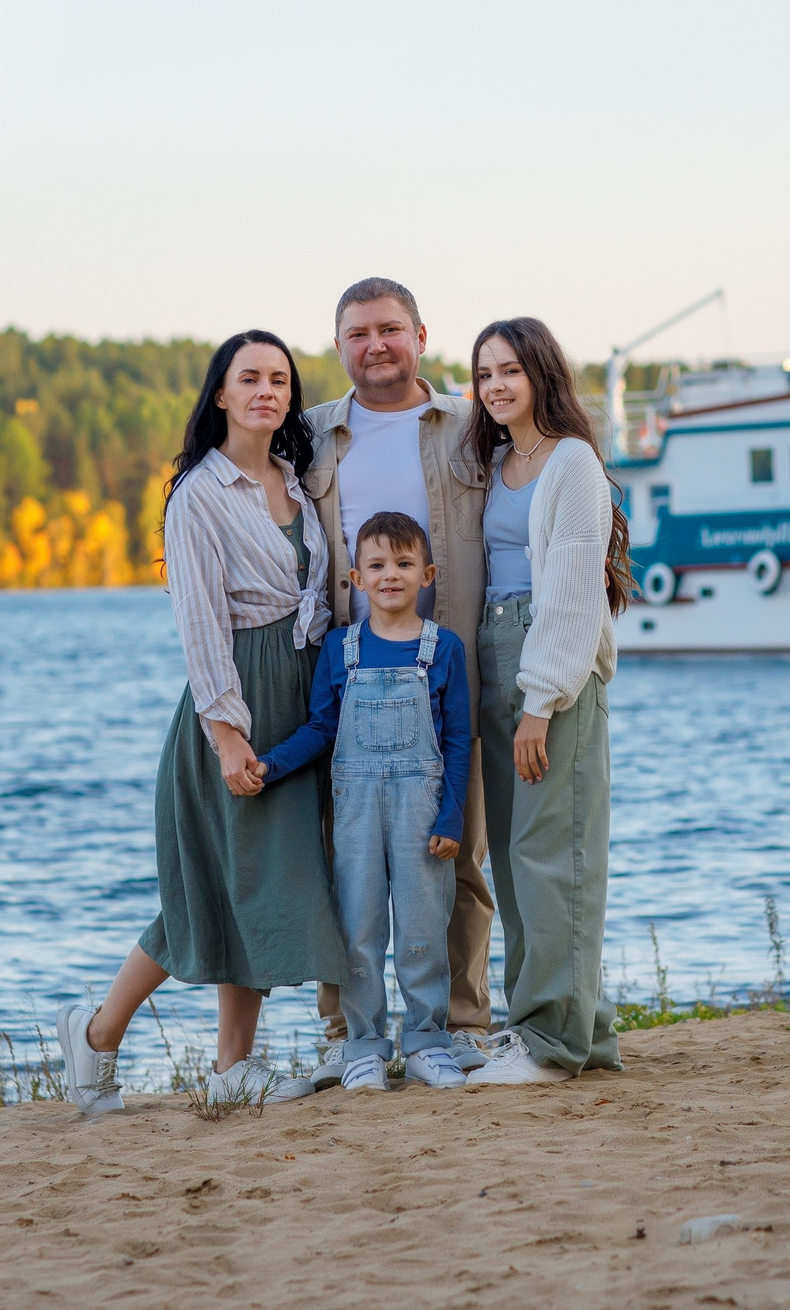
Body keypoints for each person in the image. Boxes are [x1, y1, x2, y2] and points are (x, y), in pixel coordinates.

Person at [55, 330, 347, 1113]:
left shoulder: (296, 477)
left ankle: (229, 1068)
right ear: (219, 392)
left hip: (301, 693)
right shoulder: (197, 496)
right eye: (248, 377)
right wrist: (227, 734)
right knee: (210, 889)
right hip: (239, 699)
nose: (267, 391)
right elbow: (200, 625)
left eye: (280, 379)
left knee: (250, 883)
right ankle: (95, 1035)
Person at [300, 278, 495, 1081]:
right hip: (348, 672)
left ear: (420, 333)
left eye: (389, 329)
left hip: (452, 662)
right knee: (342, 858)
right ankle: (348, 1032)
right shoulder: (310, 434)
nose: (375, 345)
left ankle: (458, 1022)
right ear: (340, 344)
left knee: (459, 850)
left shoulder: (469, 423)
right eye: (358, 333)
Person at [244, 512, 473, 1093]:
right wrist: (270, 765)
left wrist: (452, 816)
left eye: (403, 564)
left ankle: (426, 1041)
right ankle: (365, 1047)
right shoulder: (340, 650)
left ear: (428, 574)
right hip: (355, 812)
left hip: (422, 812)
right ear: (355, 578)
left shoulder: (443, 649)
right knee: (359, 929)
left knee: (423, 929)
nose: (390, 575)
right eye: (377, 565)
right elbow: (322, 728)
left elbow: (455, 742)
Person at [462, 316, 629, 1085]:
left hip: (547, 662)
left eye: (510, 370)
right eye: (484, 372)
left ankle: (550, 1044)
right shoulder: (498, 461)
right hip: (498, 655)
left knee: (552, 849)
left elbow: (569, 591)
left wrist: (541, 699)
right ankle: (567, 1028)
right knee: (517, 852)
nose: (496, 385)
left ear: (541, 375)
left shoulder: (572, 464)